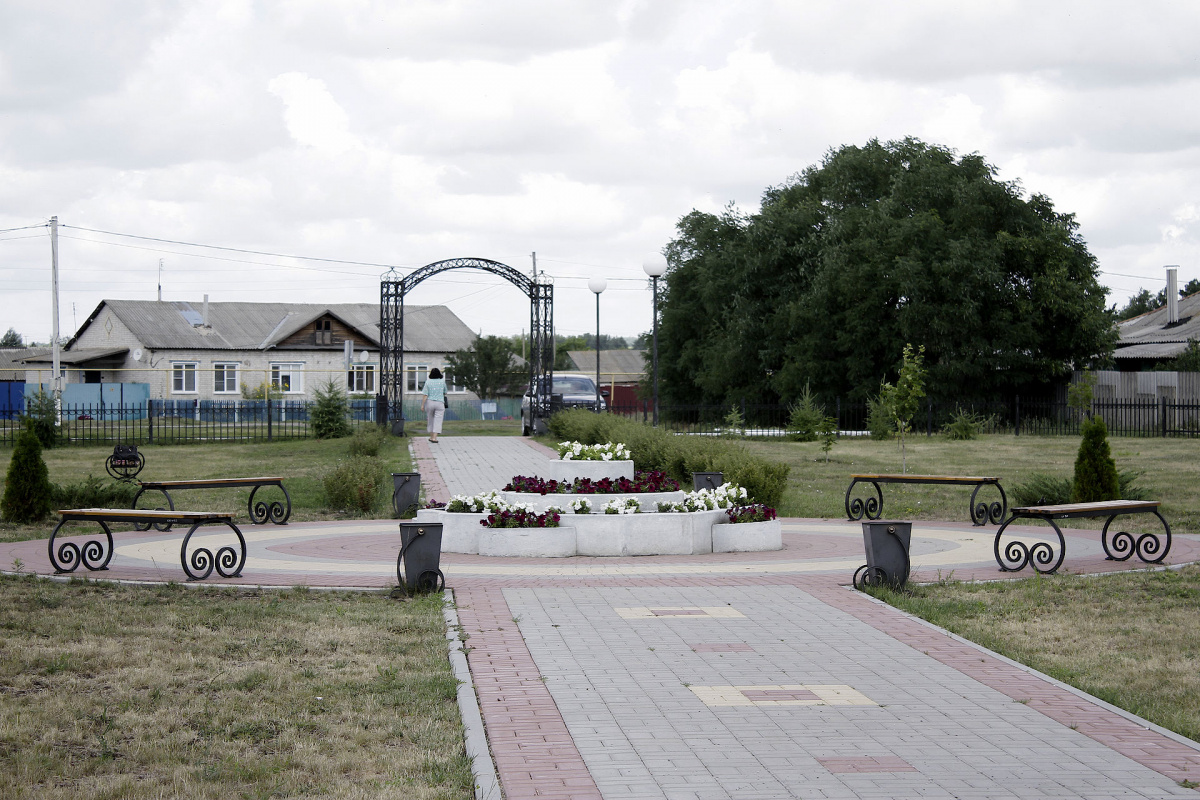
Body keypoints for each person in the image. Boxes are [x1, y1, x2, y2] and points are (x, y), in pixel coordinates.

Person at [421, 367, 447, 443]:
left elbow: (425, 395)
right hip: (440, 403)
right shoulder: (442, 382)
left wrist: (422, 405)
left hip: (430, 402)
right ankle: (434, 438)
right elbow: (445, 392)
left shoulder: (428, 382)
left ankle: (431, 436)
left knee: (430, 419)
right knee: (438, 420)